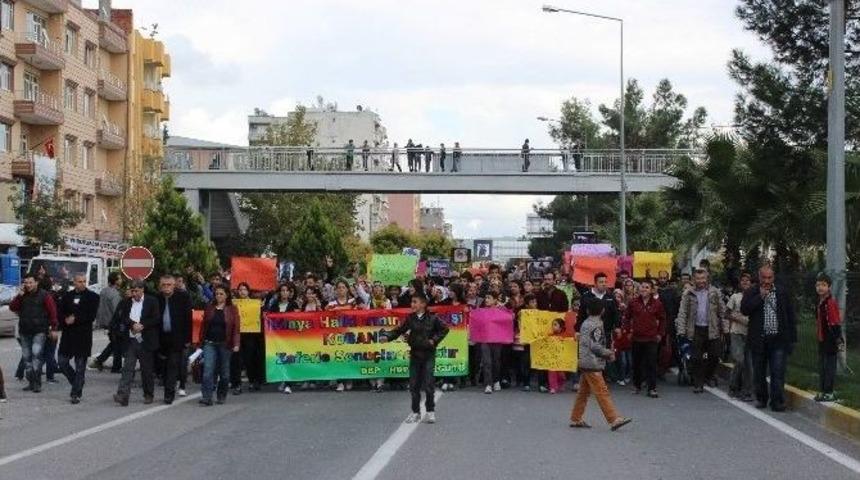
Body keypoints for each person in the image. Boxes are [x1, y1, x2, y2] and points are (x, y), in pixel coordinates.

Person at [380, 294, 449, 424]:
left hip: (428, 354)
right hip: (415, 354)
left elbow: (445, 329)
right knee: (414, 385)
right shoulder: (410, 318)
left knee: (429, 384)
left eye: (415, 302)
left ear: (423, 304)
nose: (412, 304)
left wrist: (434, 340)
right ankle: (416, 412)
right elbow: (399, 330)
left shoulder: (433, 318)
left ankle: (430, 411)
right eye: (412, 302)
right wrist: (387, 336)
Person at [569, 298, 632, 431]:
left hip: (585, 360)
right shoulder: (596, 325)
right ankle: (614, 419)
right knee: (602, 391)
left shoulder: (585, 323)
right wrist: (609, 353)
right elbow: (595, 346)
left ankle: (576, 418)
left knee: (583, 393)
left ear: (587, 311)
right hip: (593, 362)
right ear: (603, 311)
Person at [741, 266, 797, 412]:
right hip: (759, 340)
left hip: (778, 339)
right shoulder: (751, 291)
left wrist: (792, 339)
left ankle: (777, 401)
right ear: (759, 277)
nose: (766, 281)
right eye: (764, 278)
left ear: (773, 278)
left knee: (778, 372)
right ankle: (761, 398)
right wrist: (760, 297)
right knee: (759, 372)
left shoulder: (782, 292)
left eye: (769, 278)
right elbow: (744, 309)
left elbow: (790, 315)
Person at [675, 269, 728, 394]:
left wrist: (725, 329)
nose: (701, 281)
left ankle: (708, 376)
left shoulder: (715, 292)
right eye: (698, 279)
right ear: (694, 279)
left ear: (707, 279)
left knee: (715, 355)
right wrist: (681, 330)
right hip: (695, 329)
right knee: (696, 358)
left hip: (712, 329)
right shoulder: (688, 293)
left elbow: (722, 311)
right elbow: (682, 313)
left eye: (703, 278)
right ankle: (698, 383)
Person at [114, 280, 161, 406]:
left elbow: (156, 318)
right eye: (132, 291)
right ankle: (123, 395)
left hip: (146, 340)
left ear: (142, 290)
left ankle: (148, 394)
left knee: (146, 370)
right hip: (131, 339)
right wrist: (132, 324)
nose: (134, 294)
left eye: (136, 291)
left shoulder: (152, 301)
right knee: (127, 368)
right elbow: (123, 317)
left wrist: (142, 325)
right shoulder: (127, 302)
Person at [10, 274, 58, 393]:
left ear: (36, 282)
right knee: (27, 357)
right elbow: (12, 307)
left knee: (36, 355)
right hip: (24, 330)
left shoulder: (45, 295)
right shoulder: (22, 295)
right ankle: (31, 382)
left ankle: (37, 383)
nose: (28, 285)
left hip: (39, 331)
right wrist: (19, 296)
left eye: (30, 282)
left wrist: (53, 328)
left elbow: (52, 312)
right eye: (26, 282)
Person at [57, 274, 99, 404]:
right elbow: (60, 312)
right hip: (68, 335)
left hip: (83, 336)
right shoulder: (67, 296)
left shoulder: (93, 297)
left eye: (84, 281)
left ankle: (75, 393)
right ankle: (77, 382)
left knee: (80, 366)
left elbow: (91, 315)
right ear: (74, 282)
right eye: (79, 281)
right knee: (62, 362)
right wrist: (65, 319)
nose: (82, 284)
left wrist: (75, 319)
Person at [198, 285, 240, 406]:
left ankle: (221, 395)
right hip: (209, 343)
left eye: (221, 294)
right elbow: (203, 326)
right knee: (208, 371)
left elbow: (236, 329)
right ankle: (207, 397)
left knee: (224, 373)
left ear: (227, 295)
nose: (218, 296)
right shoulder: (209, 308)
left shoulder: (232, 309)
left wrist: (236, 343)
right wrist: (200, 342)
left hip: (225, 344)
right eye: (216, 294)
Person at [624, 281, 665, 398]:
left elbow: (663, 319)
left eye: (647, 287)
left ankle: (652, 388)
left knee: (651, 363)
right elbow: (627, 318)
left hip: (651, 338)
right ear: (639, 288)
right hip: (637, 337)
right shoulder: (633, 302)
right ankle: (637, 385)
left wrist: (660, 334)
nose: (644, 289)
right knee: (636, 363)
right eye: (642, 287)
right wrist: (628, 331)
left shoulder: (657, 304)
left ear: (651, 290)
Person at [157, 274, 193, 405]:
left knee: (173, 365)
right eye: (164, 285)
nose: (166, 287)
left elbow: (188, 319)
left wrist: (188, 339)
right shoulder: (157, 298)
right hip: (161, 338)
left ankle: (169, 394)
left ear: (174, 285)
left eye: (169, 285)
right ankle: (167, 386)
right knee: (163, 367)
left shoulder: (183, 297)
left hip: (177, 338)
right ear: (160, 286)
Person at [813, 273, 842, 402]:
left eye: (823, 285)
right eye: (818, 285)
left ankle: (828, 392)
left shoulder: (830, 303)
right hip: (821, 339)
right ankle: (823, 390)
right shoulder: (820, 302)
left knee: (829, 366)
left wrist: (838, 340)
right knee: (822, 366)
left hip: (830, 340)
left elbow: (835, 323)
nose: (820, 287)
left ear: (829, 287)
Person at [726, 272, 754, 401]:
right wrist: (738, 319)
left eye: (748, 280)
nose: (745, 282)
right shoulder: (735, 297)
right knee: (739, 360)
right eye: (743, 280)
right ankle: (733, 387)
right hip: (736, 332)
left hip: (750, 334)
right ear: (740, 283)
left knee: (749, 364)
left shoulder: (755, 297)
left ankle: (747, 391)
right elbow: (727, 313)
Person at [268, 283, 300, 394]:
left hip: (290, 337)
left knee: (289, 359)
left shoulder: (294, 304)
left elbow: (297, 319)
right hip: (277, 338)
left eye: (286, 291)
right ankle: (282, 379)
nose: (284, 293)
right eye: (282, 290)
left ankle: (288, 383)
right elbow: (269, 317)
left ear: (290, 293)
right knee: (280, 359)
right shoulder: (274, 305)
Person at [90, 272, 124, 372]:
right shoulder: (115, 294)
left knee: (114, 344)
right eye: (119, 278)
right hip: (114, 323)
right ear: (115, 281)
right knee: (117, 345)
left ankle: (100, 360)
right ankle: (115, 367)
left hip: (105, 321)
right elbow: (117, 310)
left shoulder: (104, 291)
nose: (121, 280)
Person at [480, 291, 505, 394]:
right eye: (486, 298)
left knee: (496, 361)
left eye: (489, 298)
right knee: (487, 362)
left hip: (497, 339)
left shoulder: (501, 310)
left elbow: (509, 318)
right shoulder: (481, 311)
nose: (486, 300)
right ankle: (488, 384)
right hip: (485, 339)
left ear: (495, 300)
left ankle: (496, 381)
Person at [547, 318, 567, 394]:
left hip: (561, 358)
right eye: (552, 324)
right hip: (552, 357)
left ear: (561, 327)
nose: (553, 326)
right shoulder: (550, 335)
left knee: (561, 374)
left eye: (555, 325)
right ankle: (553, 387)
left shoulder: (565, 336)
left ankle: (561, 383)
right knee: (551, 372)